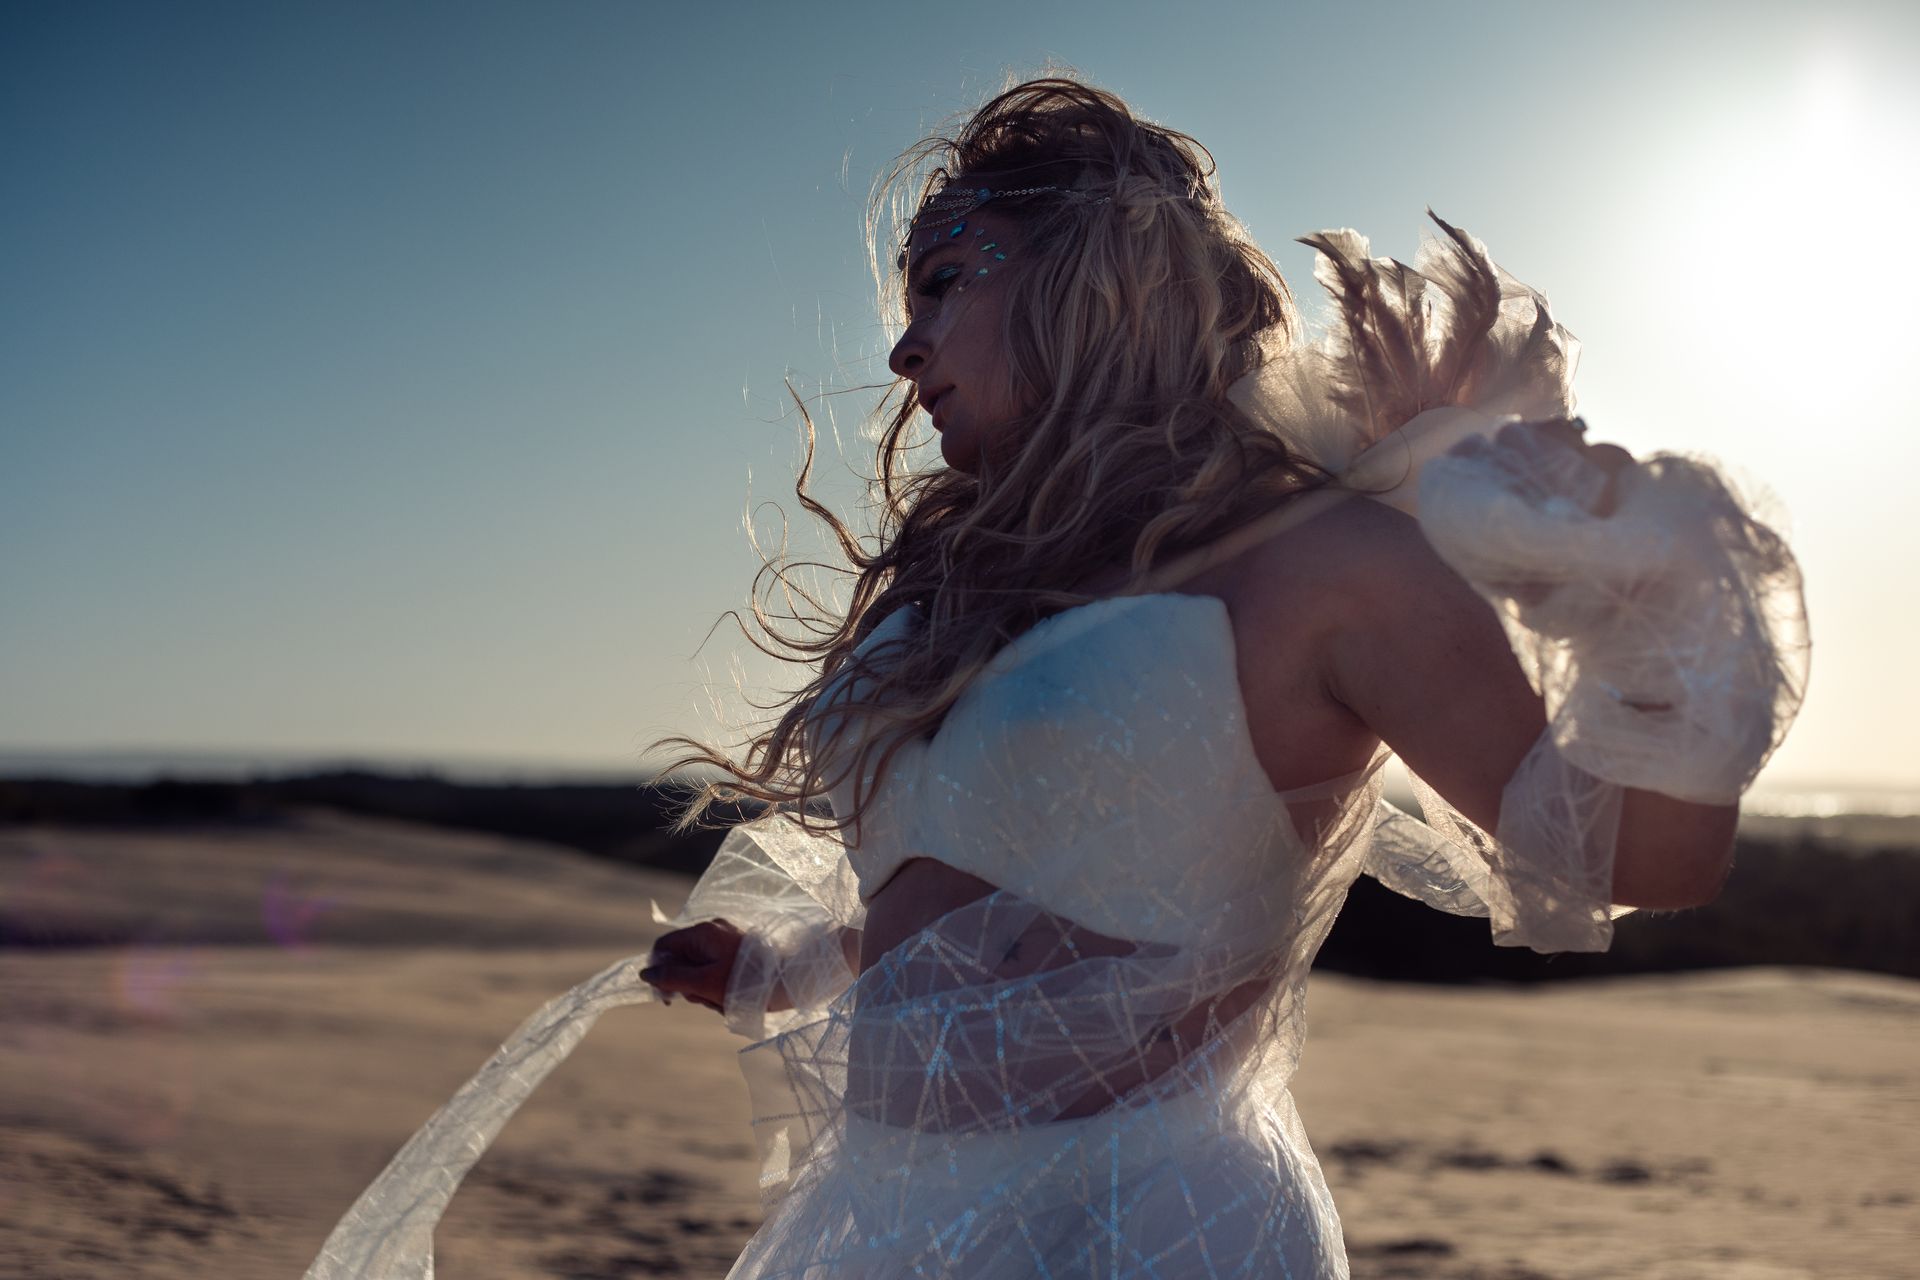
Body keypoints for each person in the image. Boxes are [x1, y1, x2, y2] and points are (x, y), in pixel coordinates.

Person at [305, 78, 1807, 1280]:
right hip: (880, 1225)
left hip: (1150, 1228)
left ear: (1094, 280)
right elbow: (1000, 864)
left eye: (946, 280)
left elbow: (1643, 858)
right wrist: (786, 964)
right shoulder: (974, 579)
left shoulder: (1328, 562)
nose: (904, 350)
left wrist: (1659, 607)